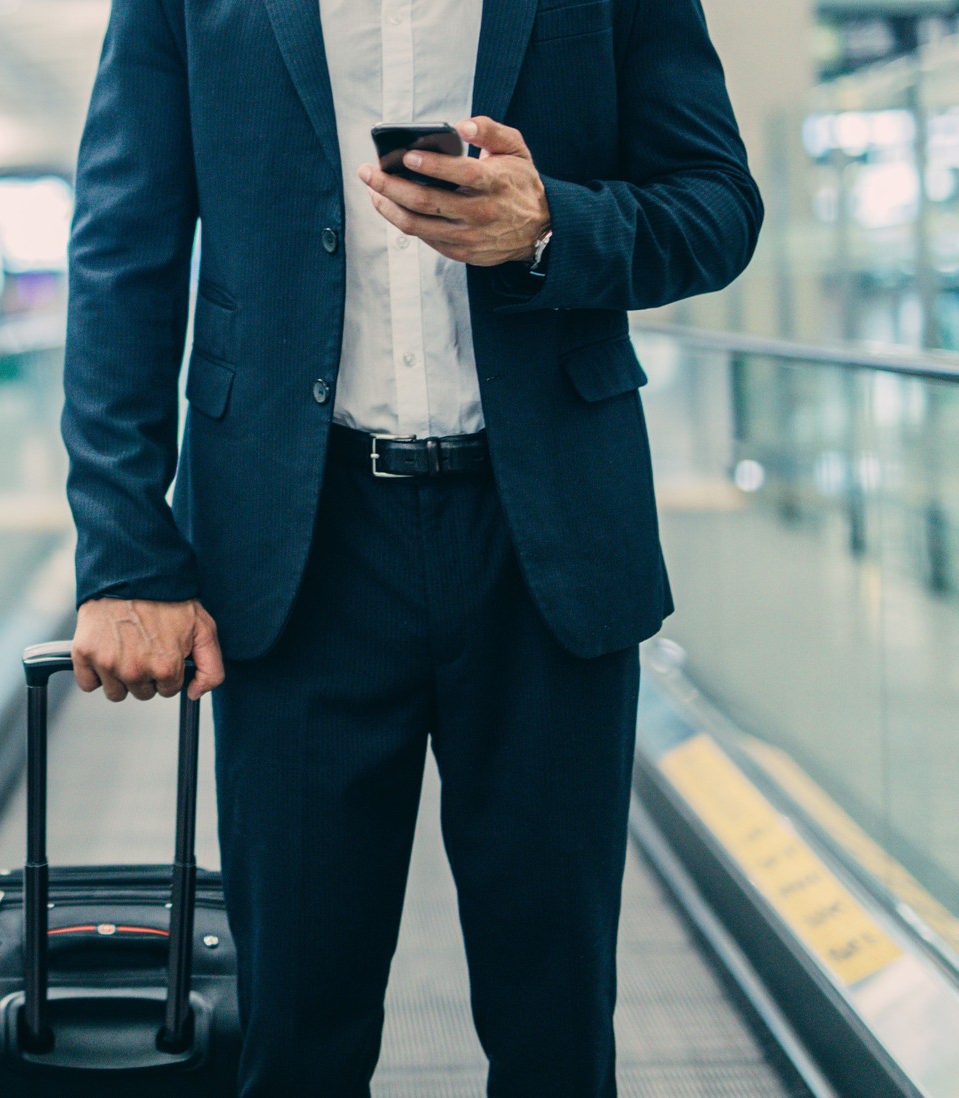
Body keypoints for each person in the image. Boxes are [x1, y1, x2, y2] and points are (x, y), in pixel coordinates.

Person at [61, 1, 761, 1094]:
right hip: (297, 550)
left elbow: (718, 206)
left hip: (547, 549)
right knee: (294, 1029)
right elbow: (122, 245)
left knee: (558, 1029)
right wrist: (124, 554)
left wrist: (551, 226)